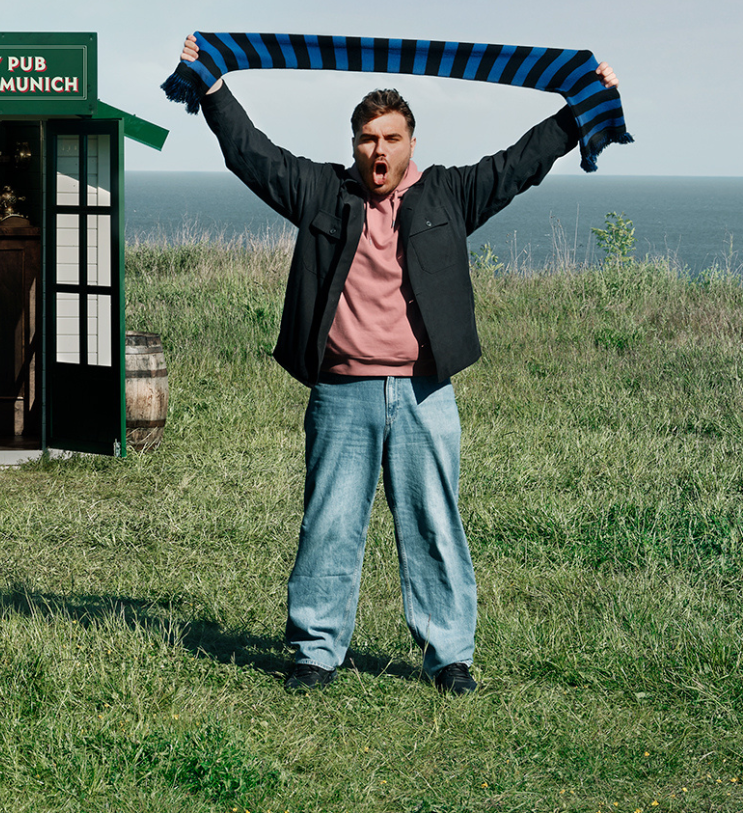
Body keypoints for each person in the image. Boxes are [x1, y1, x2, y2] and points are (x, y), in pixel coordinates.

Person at [180, 34, 619, 696]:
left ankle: (449, 658)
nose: (376, 150)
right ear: (353, 144)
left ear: (412, 142)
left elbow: (519, 164)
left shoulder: (448, 196)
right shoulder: (320, 193)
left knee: (433, 523)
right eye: (365, 138)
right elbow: (252, 154)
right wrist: (210, 84)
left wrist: (578, 109)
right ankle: (314, 656)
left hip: (424, 394)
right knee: (329, 523)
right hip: (341, 392)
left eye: (389, 137)